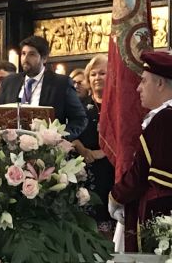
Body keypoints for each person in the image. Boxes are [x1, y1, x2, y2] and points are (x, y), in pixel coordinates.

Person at [108, 50, 172, 252]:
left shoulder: (166, 119)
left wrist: (115, 197)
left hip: (159, 219)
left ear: (160, 84)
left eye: (144, 81)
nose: (138, 88)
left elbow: (143, 173)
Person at [0, 35, 87, 140]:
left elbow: (80, 119)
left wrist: (59, 138)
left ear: (44, 58)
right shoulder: (9, 82)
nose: (25, 59)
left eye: (32, 54)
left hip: (46, 151)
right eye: (23, 54)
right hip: (11, 148)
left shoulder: (61, 84)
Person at [71, 55, 115, 237]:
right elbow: (69, 132)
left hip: (109, 169)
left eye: (102, 73)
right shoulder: (80, 106)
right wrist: (83, 149)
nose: (97, 78)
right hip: (83, 167)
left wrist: (102, 153)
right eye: (93, 74)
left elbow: (126, 137)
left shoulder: (118, 107)